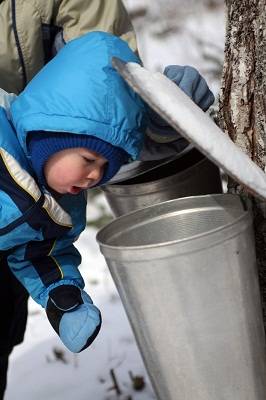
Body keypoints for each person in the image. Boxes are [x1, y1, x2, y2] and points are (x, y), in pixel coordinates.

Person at [0, 11, 214, 400]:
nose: (96, 176)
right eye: (88, 159)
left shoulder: (60, 210)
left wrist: (64, 296)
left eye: (105, 166)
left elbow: (39, 253)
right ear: (56, 134)